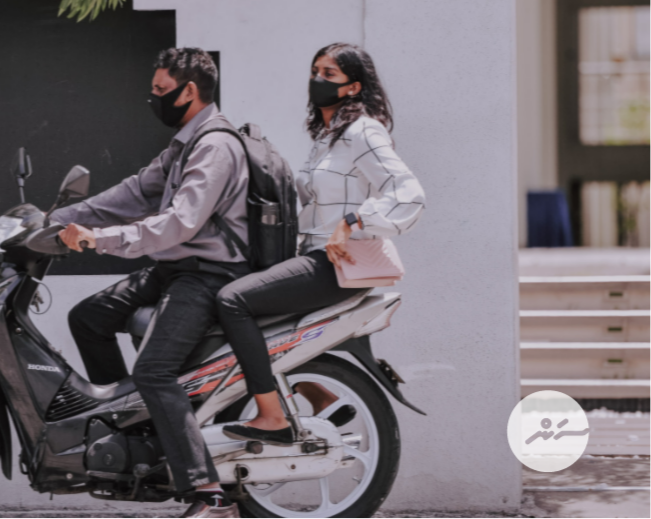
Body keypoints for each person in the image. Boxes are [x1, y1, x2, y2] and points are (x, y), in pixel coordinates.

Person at [50, 47, 247, 519]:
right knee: (89, 318)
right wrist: (52, 220)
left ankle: (210, 496)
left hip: (208, 275)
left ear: (189, 91)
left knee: (154, 370)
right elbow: (134, 193)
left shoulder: (215, 147)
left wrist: (100, 239)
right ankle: (131, 429)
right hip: (175, 268)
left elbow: (180, 223)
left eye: (161, 90)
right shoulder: (185, 144)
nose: (153, 98)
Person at [217, 43, 426, 446]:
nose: (317, 80)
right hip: (312, 256)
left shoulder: (363, 131)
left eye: (329, 74)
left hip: (336, 265)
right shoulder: (328, 137)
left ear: (353, 87)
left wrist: (354, 221)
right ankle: (319, 395)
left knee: (233, 301)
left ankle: (272, 416)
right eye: (315, 71)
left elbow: (408, 193)